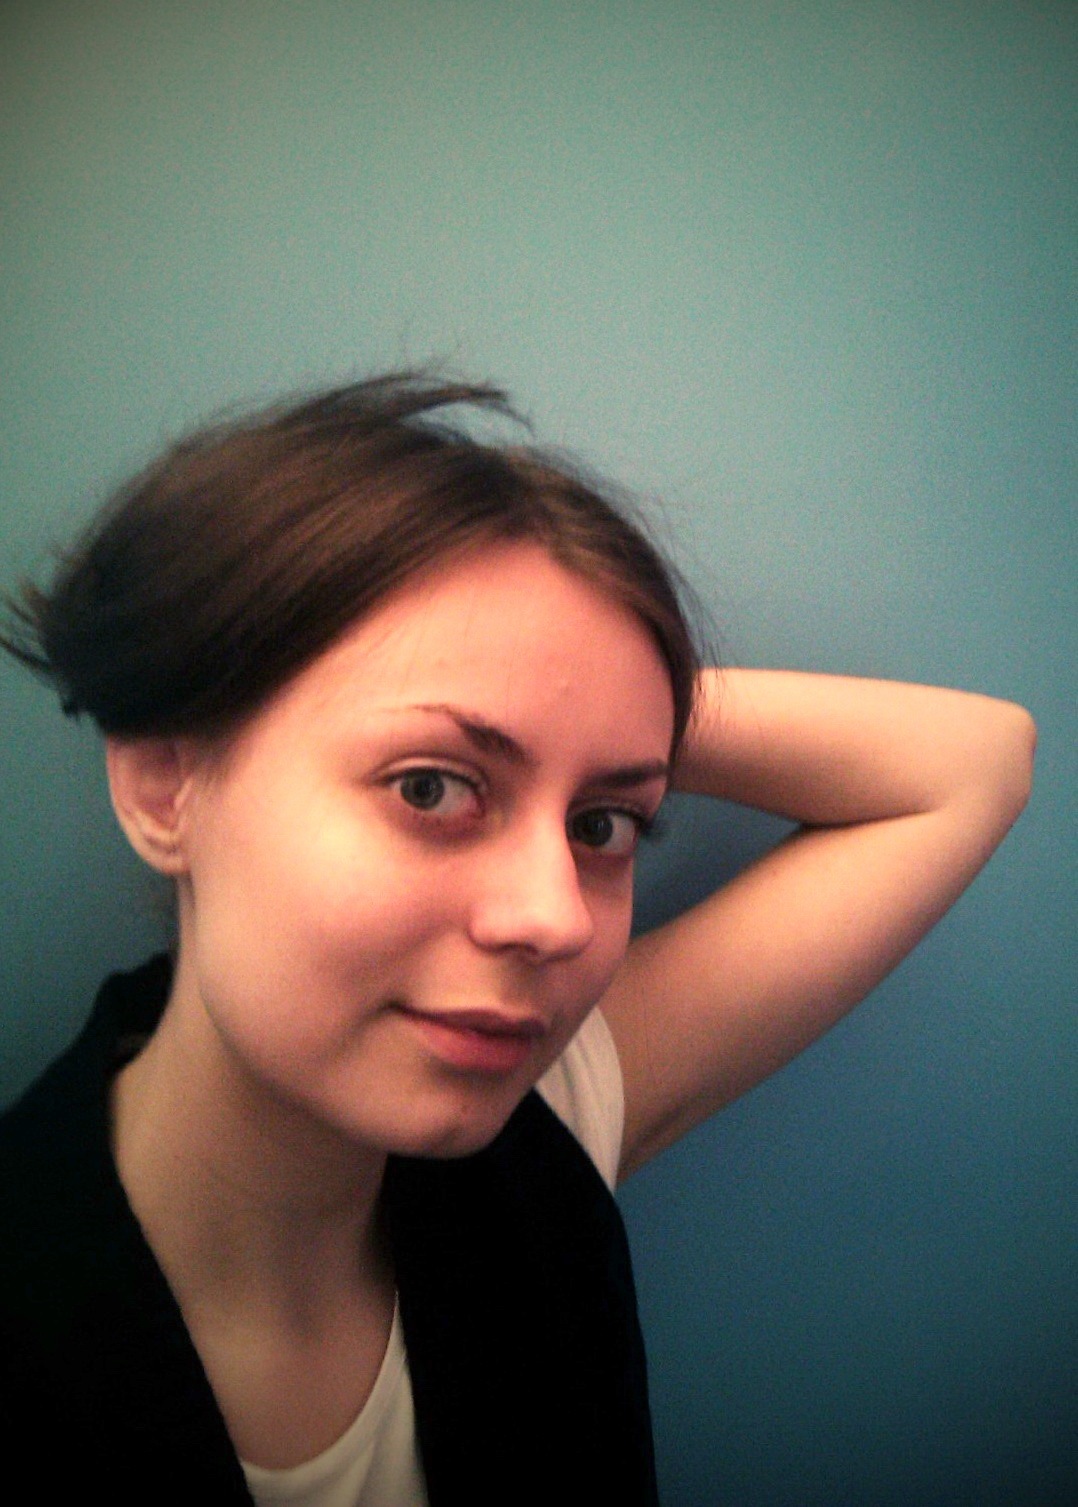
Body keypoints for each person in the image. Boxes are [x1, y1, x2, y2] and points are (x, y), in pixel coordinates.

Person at [0, 374, 1035, 1505]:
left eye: (603, 824)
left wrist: (596, 708)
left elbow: (975, 761)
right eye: (431, 787)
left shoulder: (543, 1125)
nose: (556, 917)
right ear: (167, 784)